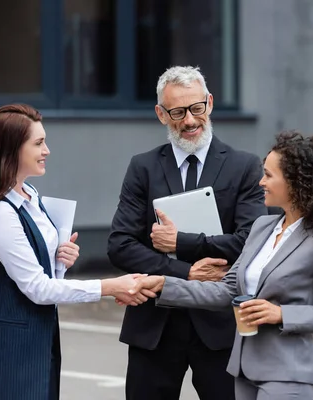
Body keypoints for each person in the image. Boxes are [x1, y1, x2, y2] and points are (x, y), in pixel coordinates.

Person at [124, 131, 313, 400]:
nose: (261, 182)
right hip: (244, 372)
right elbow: (225, 291)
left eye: (269, 175)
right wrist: (164, 284)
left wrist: (281, 314)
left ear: (295, 182)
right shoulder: (262, 228)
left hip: (288, 374)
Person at [0, 104, 147, 400]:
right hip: (4, 351)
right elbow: (37, 289)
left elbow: (46, 278)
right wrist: (109, 286)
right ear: (13, 149)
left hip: (35, 340)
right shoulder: (0, 212)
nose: (47, 150)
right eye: (39, 143)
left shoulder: (32, 197)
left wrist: (59, 261)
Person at [107, 66, 267, 400]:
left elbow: (252, 240)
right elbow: (120, 244)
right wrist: (187, 272)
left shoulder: (245, 166)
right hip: (155, 324)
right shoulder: (143, 167)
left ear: (209, 103)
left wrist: (181, 242)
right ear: (161, 114)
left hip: (220, 324)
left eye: (196, 108)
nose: (190, 120)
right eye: (178, 112)